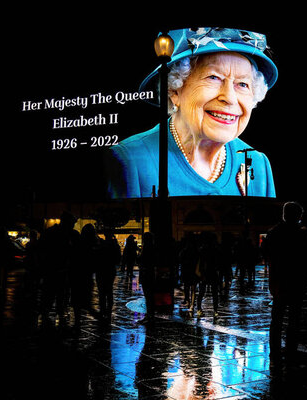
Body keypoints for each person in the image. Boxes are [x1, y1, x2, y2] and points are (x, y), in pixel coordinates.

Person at [106, 27, 278, 198]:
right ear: (174, 90)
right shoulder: (131, 160)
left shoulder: (258, 164)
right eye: (213, 77)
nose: (230, 98)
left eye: (242, 84)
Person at [261, 201, 307, 368]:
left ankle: (275, 351)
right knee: (294, 319)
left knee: (277, 319)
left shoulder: (274, 232)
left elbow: (266, 254)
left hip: (279, 280)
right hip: (296, 280)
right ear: (297, 215)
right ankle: (291, 350)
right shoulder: (301, 233)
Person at [39, 211, 80, 327]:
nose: (73, 225)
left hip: (58, 272)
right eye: (72, 222)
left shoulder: (51, 233)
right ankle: (53, 314)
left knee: (55, 295)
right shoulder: (69, 234)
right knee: (54, 295)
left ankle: (51, 314)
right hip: (55, 271)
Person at [96, 230, 121, 322]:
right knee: (109, 290)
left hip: (101, 270)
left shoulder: (101, 244)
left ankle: (103, 310)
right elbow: (118, 259)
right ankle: (108, 311)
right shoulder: (115, 245)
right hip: (110, 269)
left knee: (102, 292)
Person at [138, 232, 158, 324]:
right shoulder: (153, 248)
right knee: (150, 296)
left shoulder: (146, 249)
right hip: (150, 274)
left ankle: (149, 315)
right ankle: (150, 315)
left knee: (148, 296)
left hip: (146, 274)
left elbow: (142, 261)